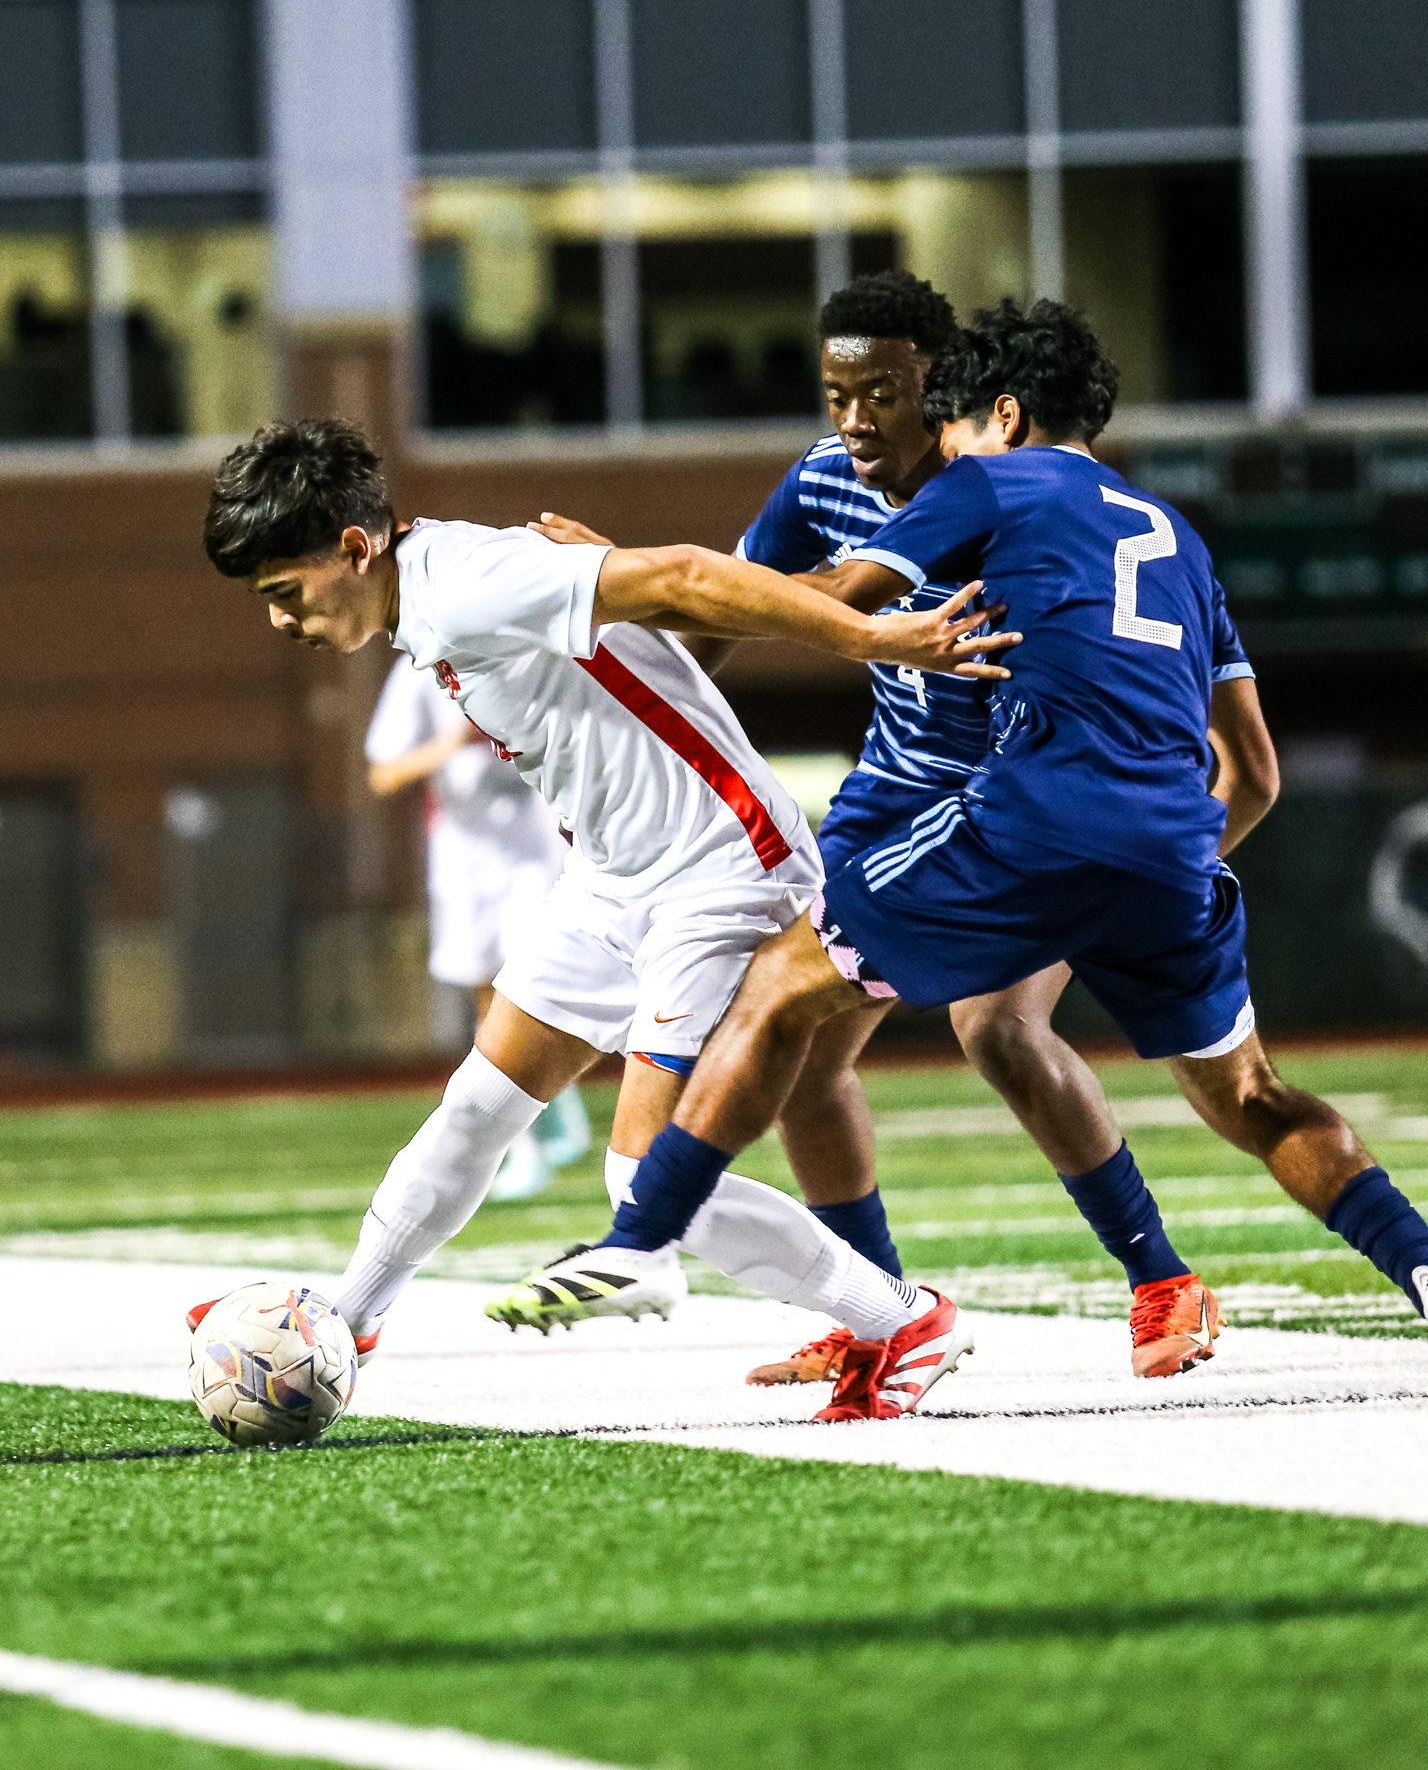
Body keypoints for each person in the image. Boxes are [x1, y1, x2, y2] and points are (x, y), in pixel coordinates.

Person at [538, 299, 1428, 1418]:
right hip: (1174, 851)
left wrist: (625, 574)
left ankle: (642, 1241)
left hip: (1026, 820)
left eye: (954, 422)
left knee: (781, 987)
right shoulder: (1178, 536)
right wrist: (1147, 867)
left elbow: (836, 602)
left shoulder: (987, 482)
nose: (942, 445)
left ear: (1004, 414)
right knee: (1252, 1095)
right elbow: (1257, 774)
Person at [188, 418, 1014, 1396]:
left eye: (285, 591)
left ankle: (904, 1320)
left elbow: (685, 576)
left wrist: (870, 637)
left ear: (355, 547)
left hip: (720, 870)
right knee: (477, 1108)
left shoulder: (467, 580)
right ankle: (348, 1323)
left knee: (644, 1179)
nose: (279, 619)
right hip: (615, 879)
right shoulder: (431, 586)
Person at [714, 270, 1233, 1385]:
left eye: (884, 394)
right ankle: (878, 1313)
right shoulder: (821, 476)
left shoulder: (1003, 485)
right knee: (802, 1055)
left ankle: (1160, 1276)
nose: (858, 420)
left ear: (943, 392)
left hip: (1015, 797)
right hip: (886, 792)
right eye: (838, 395)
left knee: (995, 1028)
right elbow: (732, 604)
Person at [364, 657, 590, 1199]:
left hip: (535, 852)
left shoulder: (520, 651)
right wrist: (456, 742)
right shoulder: (418, 670)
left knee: (535, 988)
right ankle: (543, 1129)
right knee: (489, 1002)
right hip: (463, 859)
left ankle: (544, 1124)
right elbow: (383, 774)